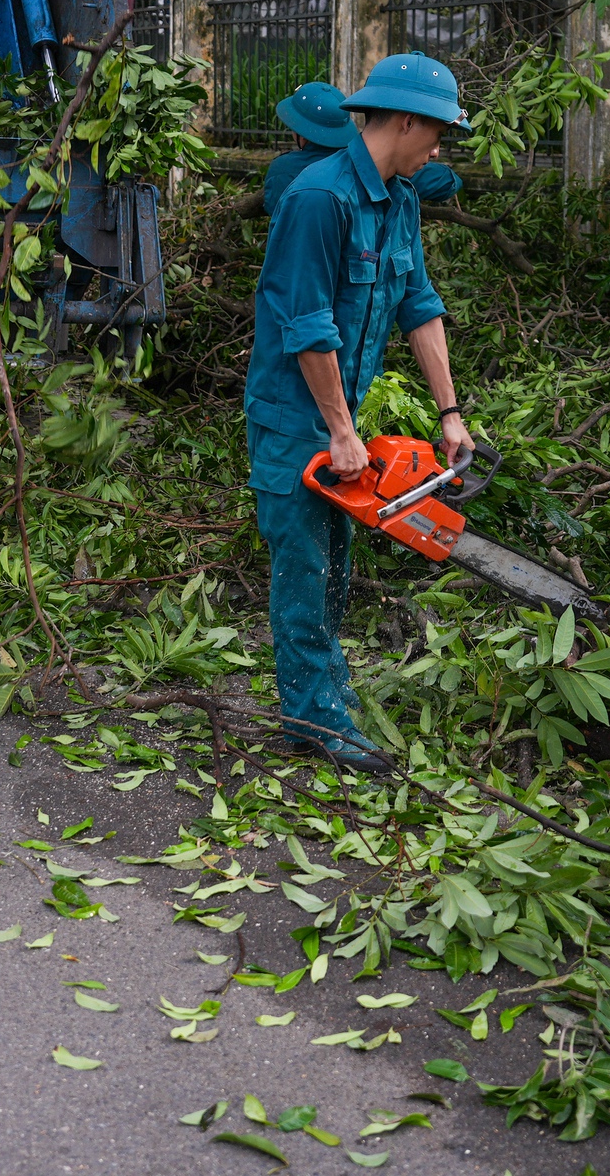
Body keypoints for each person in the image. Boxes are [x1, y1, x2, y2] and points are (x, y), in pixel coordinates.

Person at [244, 53, 474, 774]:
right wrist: (340, 432)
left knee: (335, 561)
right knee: (304, 566)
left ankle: (312, 706)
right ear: (403, 120)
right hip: (294, 415)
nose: (439, 149)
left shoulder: (398, 196)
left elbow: (419, 304)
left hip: (340, 409)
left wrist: (451, 412)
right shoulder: (320, 198)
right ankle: (317, 724)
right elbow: (307, 323)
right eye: (435, 132)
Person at [260, 80, 463, 217]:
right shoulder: (377, 167)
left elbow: (273, 209)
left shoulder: (283, 169)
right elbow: (447, 182)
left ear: (301, 133)